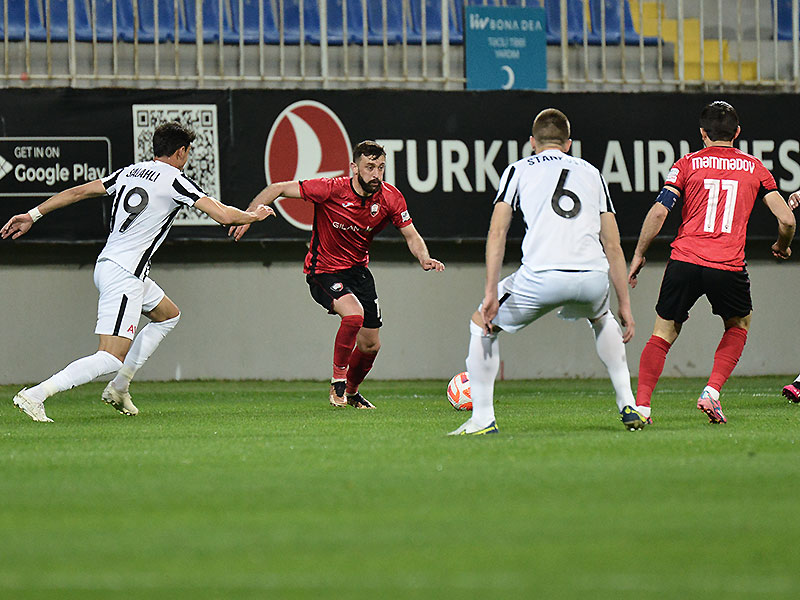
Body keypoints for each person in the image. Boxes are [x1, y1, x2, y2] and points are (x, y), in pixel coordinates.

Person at [2, 121, 274, 422]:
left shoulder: (130, 172)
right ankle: (36, 394)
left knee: (168, 315)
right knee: (109, 356)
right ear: (181, 152)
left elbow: (79, 192)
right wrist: (254, 215)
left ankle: (119, 388)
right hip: (125, 274)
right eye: (187, 152)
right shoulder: (176, 180)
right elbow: (222, 214)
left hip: (110, 264)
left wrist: (33, 214)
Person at [449, 108, 645, 436]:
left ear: (532, 142)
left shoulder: (518, 169)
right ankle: (628, 403)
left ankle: (482, 419)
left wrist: (490, 292)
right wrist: (624, 303)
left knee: (481, 324)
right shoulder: (592, 173)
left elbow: (497, 232)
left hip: (542, 275)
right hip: (592, 277)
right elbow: (612, 244)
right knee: (602, 318)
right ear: (568, 144)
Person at [230, 140, 444, 408]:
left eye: (381, 167)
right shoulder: (330, 189)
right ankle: (338, 383)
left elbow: (411, 235)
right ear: (354, 167)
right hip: (323, 270)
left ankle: (352, 393)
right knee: (353, 315)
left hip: (358, 272)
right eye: (369, 167)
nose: (376, 174)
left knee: (370, 345)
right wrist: (247, 216)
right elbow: (278, 188)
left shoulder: (391, 197)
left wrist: (424, 258)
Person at [628, 101, 795, 424]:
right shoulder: (755, 168)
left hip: (685, 260)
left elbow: (660, 212)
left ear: (703, 133)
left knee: (663, 332)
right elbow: (787, 220)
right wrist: (781, 246)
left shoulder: (686, 164)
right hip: (727, 266)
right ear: (737, 132)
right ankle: (711, 392)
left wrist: (638, 254)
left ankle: (643, 407)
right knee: (738, 325)